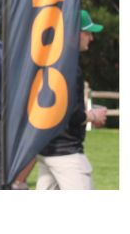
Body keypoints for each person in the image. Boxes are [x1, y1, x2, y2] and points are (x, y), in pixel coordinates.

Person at [31, 10, 108, 189]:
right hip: (67, 154)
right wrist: (93, 116)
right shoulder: (70, 67)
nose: (91, 38)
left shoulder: (49, 61)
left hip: (45, 149)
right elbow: (69, 114)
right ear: (75, 32)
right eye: (88, 32)